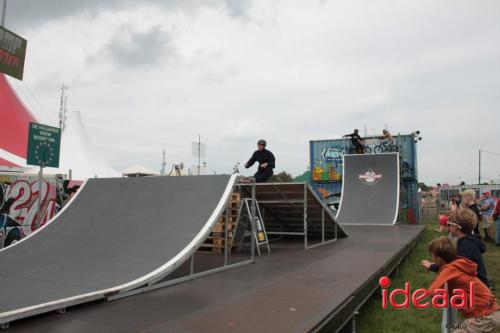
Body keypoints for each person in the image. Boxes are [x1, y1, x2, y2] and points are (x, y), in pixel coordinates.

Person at [425, 237, 499, 332]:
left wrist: (441, 298)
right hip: (488, 310)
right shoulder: (457, 264)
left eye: (432, 256)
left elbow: (431, 292)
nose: (432, 259)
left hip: (485, 314)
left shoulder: (450, 269)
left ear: (439, 259)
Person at [422, 208, 489, 286]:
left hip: (475, 289)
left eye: (449, 224)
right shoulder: (468, 241)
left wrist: (431, 266)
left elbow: (454, 269)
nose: (448, 227)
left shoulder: (466, 245)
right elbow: (455, 263)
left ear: (456, 228)